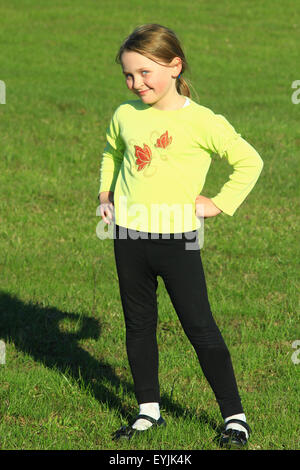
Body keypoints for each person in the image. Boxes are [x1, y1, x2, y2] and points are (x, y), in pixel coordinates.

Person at [98, 24, 263, 449]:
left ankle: (235, 417)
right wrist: (105, 191)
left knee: (200, 326)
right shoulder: (124, 114)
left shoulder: (201, 120)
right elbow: (113, 152)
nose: (137, 83)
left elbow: (249, 160)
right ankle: (148, 411)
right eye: (129, 76)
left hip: (179, 241)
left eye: (145, 73)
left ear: (174, 66)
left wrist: (218, 203)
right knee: (138, 325)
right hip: (129, 237)